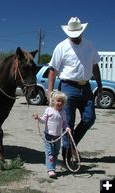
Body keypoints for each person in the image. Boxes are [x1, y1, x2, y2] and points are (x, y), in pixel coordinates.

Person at [48, 17, 102, 162]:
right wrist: (50, 91)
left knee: (89, 118)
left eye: (77, 33)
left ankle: (71, 145)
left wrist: (100, 85)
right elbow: (52, 70)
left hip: (86, 88)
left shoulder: (89, 45)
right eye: (72, 34)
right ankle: (66, 155)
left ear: (81, 32)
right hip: (67, 88)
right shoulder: (61, 46)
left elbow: (95, 66)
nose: (74, 36)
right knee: (68, 123)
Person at [33, 91, 71, 178]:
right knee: (49, 153)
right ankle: (50, 170)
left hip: (58, 136)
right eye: (58, 100)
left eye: (62, 101)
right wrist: (38, 118)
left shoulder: (63, 112)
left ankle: (52, 168)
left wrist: (67, 128)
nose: (60, 103)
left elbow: (64, 123)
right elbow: (43, 120)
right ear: (53, 101)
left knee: (55, 153)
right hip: (48, 136)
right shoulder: (49, 110)